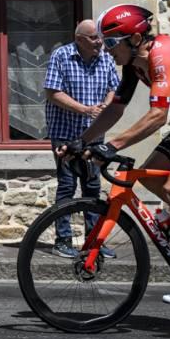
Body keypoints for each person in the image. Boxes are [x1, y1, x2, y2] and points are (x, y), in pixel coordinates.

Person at [67, 4, 170, 306]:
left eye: (110, 42)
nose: (106, 50)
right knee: (153, 174)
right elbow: (116, 108)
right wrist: (82, 140)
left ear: (134, 39)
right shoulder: (133, 65)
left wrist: (112, 146)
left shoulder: (161, 56)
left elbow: (158, 116)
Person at [43, 20, 119, 258]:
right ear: (79, 40)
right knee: (67, 186)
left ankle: (93, 241)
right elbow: (53, 92)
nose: (99, 42)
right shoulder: (61, 56)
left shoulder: (106, 57)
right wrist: (85, 110)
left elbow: (114, 88)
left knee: (92, 187)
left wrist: (106, 105)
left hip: (94, 135)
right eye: (95, 38)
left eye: (100, 38)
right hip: (65, 132)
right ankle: (62, 240)